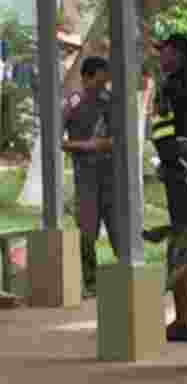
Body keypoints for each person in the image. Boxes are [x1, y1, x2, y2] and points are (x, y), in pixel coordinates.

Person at [149, 33, 187, 342]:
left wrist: (172, 159)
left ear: (178, 53)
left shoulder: (177, 84)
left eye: (165, 52)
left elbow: (176, 130)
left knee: (184, 241)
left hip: (183, 174)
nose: (161, 57)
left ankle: (185, 319)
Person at [62, 56, 117, 296]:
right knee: (86, 229)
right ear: (86, 77)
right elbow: (59, 140)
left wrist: (105, 144)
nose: (104, 84)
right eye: (100, 79)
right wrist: (89, 146)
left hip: (111, 175)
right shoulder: (72, 103)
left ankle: (125, 272)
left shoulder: (111, 102)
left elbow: (119, 139)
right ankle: (90, 281)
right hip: (85, 176)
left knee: (118, 225)